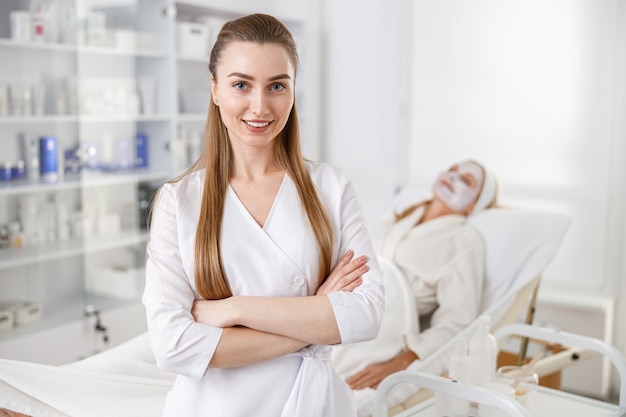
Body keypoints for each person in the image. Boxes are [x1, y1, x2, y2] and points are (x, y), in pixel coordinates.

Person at [142, 13, 384, 417]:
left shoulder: (331, 187)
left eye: (276, 86)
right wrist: (316, 318)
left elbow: (366, 314)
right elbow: (172, 346)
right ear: (215, 89)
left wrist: (235, 310)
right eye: (241, 84)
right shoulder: (179, 201)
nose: (260, 106)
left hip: (313, 402)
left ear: (292, 90)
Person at [331, 159, 498, 415]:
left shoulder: (463, 242)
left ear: (474, 205)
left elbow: (458, 322)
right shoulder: (400, 218)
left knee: (330, 382)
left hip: (388, 318)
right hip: (345, 295)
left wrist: (405, 360)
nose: (453, 177)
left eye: (466, 180)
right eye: (452, 169)